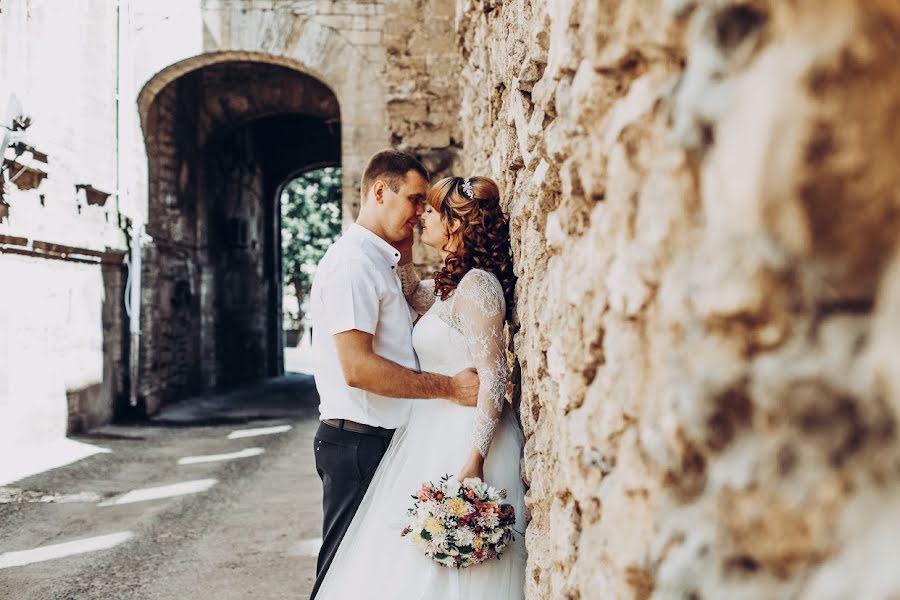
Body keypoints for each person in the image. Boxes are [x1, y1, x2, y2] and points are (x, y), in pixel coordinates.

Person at [315, 175, 526, 599]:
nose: (419, 216)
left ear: (454, 224)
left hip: (466, 440)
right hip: (430, 433)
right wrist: (404, 242)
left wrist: (474, 460)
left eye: (428, 210)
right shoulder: (452, 287)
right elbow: (411, 292)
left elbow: (495, 376)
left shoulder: (480, 286)